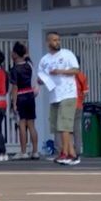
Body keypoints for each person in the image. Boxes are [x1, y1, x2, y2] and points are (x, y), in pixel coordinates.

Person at [38, 32, 80, 165]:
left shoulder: (67, 54)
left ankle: (65, 153)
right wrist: (40, 81)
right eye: (54, 40)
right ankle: (71, 153)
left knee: (64, 125)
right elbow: (41, 76)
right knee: (57, 126)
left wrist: (60, 71)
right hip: (54, 95)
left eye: (58, 40)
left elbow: (76, 70)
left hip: (67, 93)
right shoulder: (44, 60)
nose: (57, 42)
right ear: (48, 42)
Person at [9, 42, 39, 160]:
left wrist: (14, 102)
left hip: (21, 96)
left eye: (13, 52)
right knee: (31, 124)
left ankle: (23, 151)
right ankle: (35, 151)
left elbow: (15, 87)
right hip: (30, 96)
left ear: (15, 54)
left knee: (22, 124)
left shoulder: (14, 69)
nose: (11, 54)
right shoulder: (29, 65)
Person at [73, 57, 89, 156]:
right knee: (77, 129)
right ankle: (78, 149)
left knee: (66, 129)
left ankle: (67, 150)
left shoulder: (68, 76)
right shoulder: (82, 76)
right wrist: (81, 99)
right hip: (79, 105)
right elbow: (85, 92)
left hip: (69, 105)